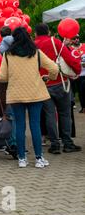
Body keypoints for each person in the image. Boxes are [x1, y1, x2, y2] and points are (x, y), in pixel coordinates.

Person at [0, 28, 59, 168]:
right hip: (35, 94)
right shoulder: (36, 53)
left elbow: (3, 77)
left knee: (20, 126)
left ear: (14, 38)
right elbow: (54, 69)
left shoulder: (8, 55)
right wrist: (49, 78)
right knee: (35, 125)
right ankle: (39, 158)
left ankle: (22, 158)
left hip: (16, 95)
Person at [34, 24, 82, 154]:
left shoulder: (33, 45)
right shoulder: (55, 42)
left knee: (49, 115)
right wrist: (77, 71)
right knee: (65, 113)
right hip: (61, 82)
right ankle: (67, 143)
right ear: (48, 31)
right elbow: (69, 59)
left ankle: (54, 144)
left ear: (36, 33)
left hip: (43, 84)